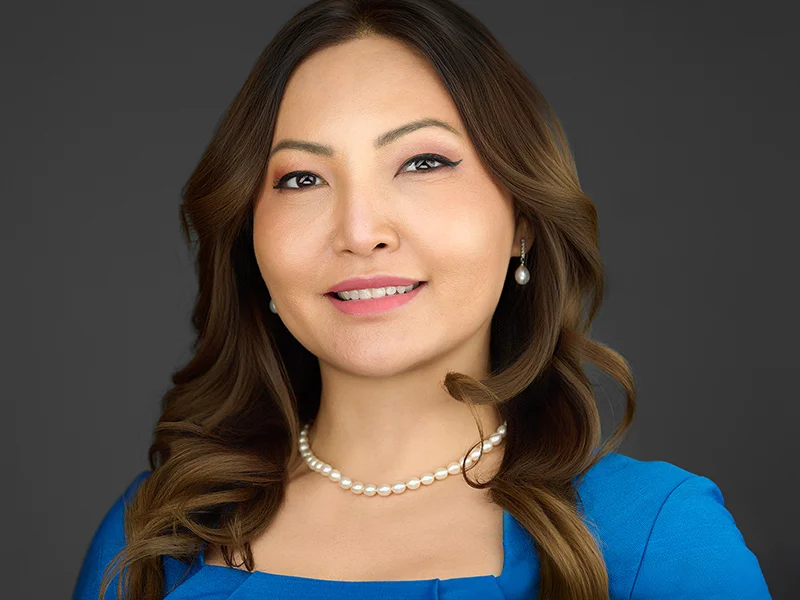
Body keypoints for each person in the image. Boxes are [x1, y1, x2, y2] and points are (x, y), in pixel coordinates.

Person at [72, 1, 771, 598]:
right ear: (252, 238)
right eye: (302, 179)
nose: (360, 231)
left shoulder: (654, 537)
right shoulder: (160, 534)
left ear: (522, 220)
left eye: (423, 162)